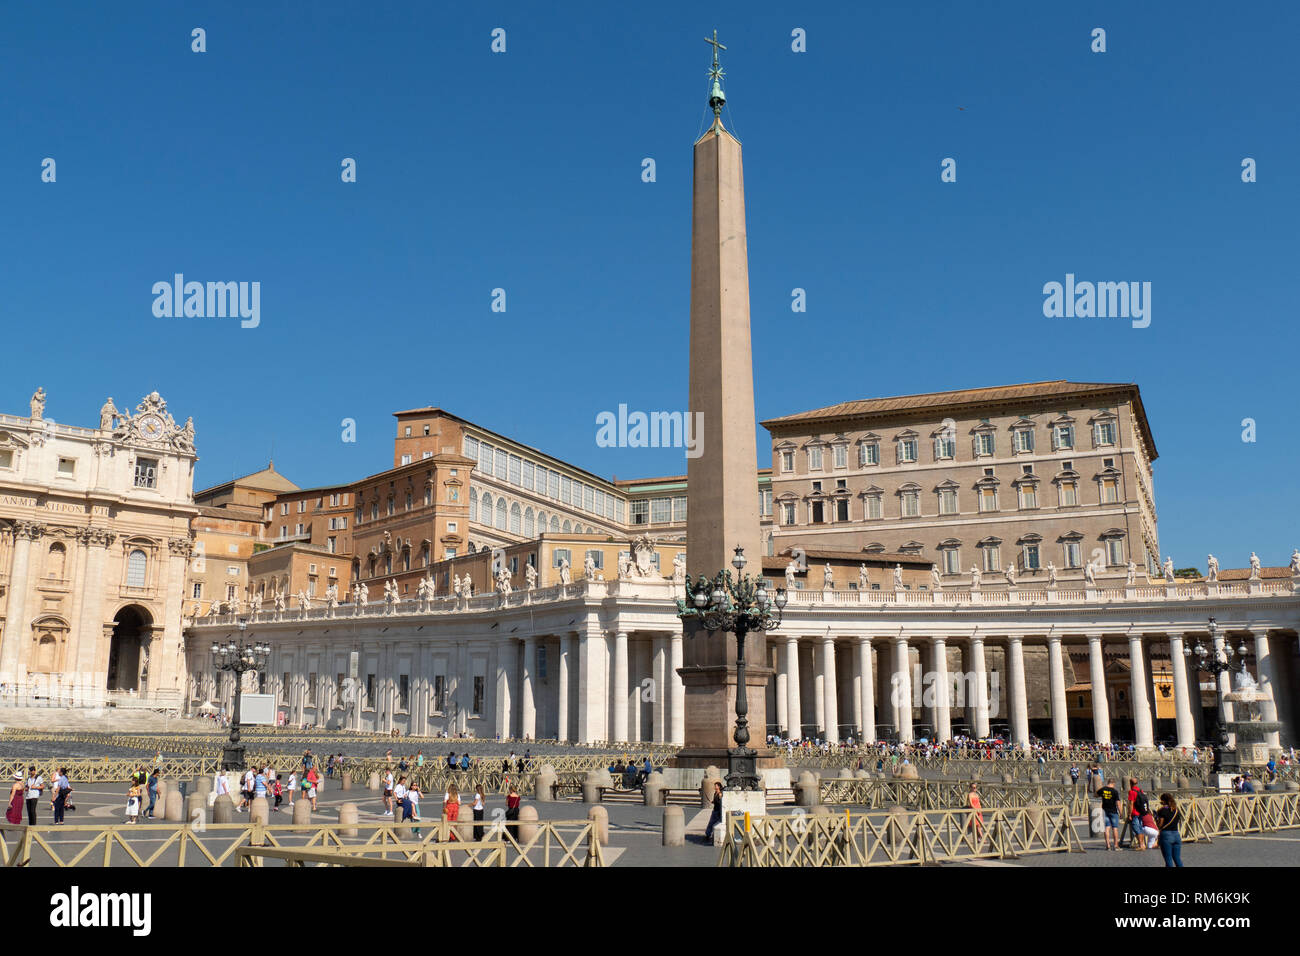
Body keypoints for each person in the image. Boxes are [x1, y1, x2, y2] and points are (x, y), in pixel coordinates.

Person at [1155, 793, 1183, 867]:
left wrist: (1156, 819)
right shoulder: (1176, 810)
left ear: (1163, 801)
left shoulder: (1163, 810)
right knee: (1177, 859)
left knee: (1168, 860)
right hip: (1176, 835)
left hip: (1166, 835)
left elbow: (1160, 825)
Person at [1097, 778, 1121, 850]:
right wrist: (1121, 812)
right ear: (1113, 783)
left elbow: (1095, 794)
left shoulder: (1103, 789)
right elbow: (1118, 803)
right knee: (1115, 828)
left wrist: (1102, 795)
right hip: (1113, 811)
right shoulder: (1115, 791)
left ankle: (1108, 845)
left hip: (1105, 810)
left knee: (1107, 828)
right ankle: (1116, 845)